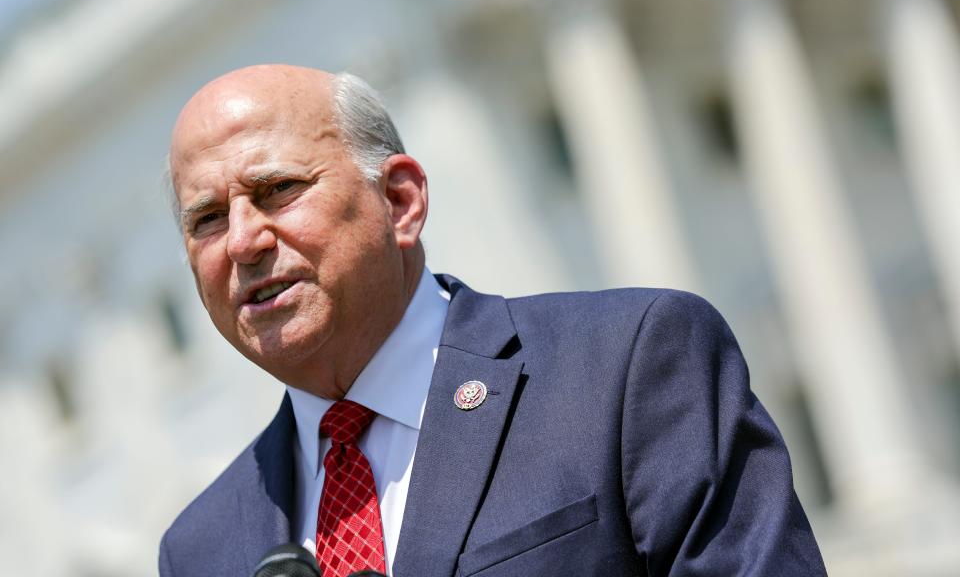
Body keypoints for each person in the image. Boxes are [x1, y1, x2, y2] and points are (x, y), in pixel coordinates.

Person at [159, 64, 826, 577]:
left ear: (399, 201)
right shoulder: (202, 548)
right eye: (207, 220)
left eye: (277, 190)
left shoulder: (627, 368)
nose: (243, 241)